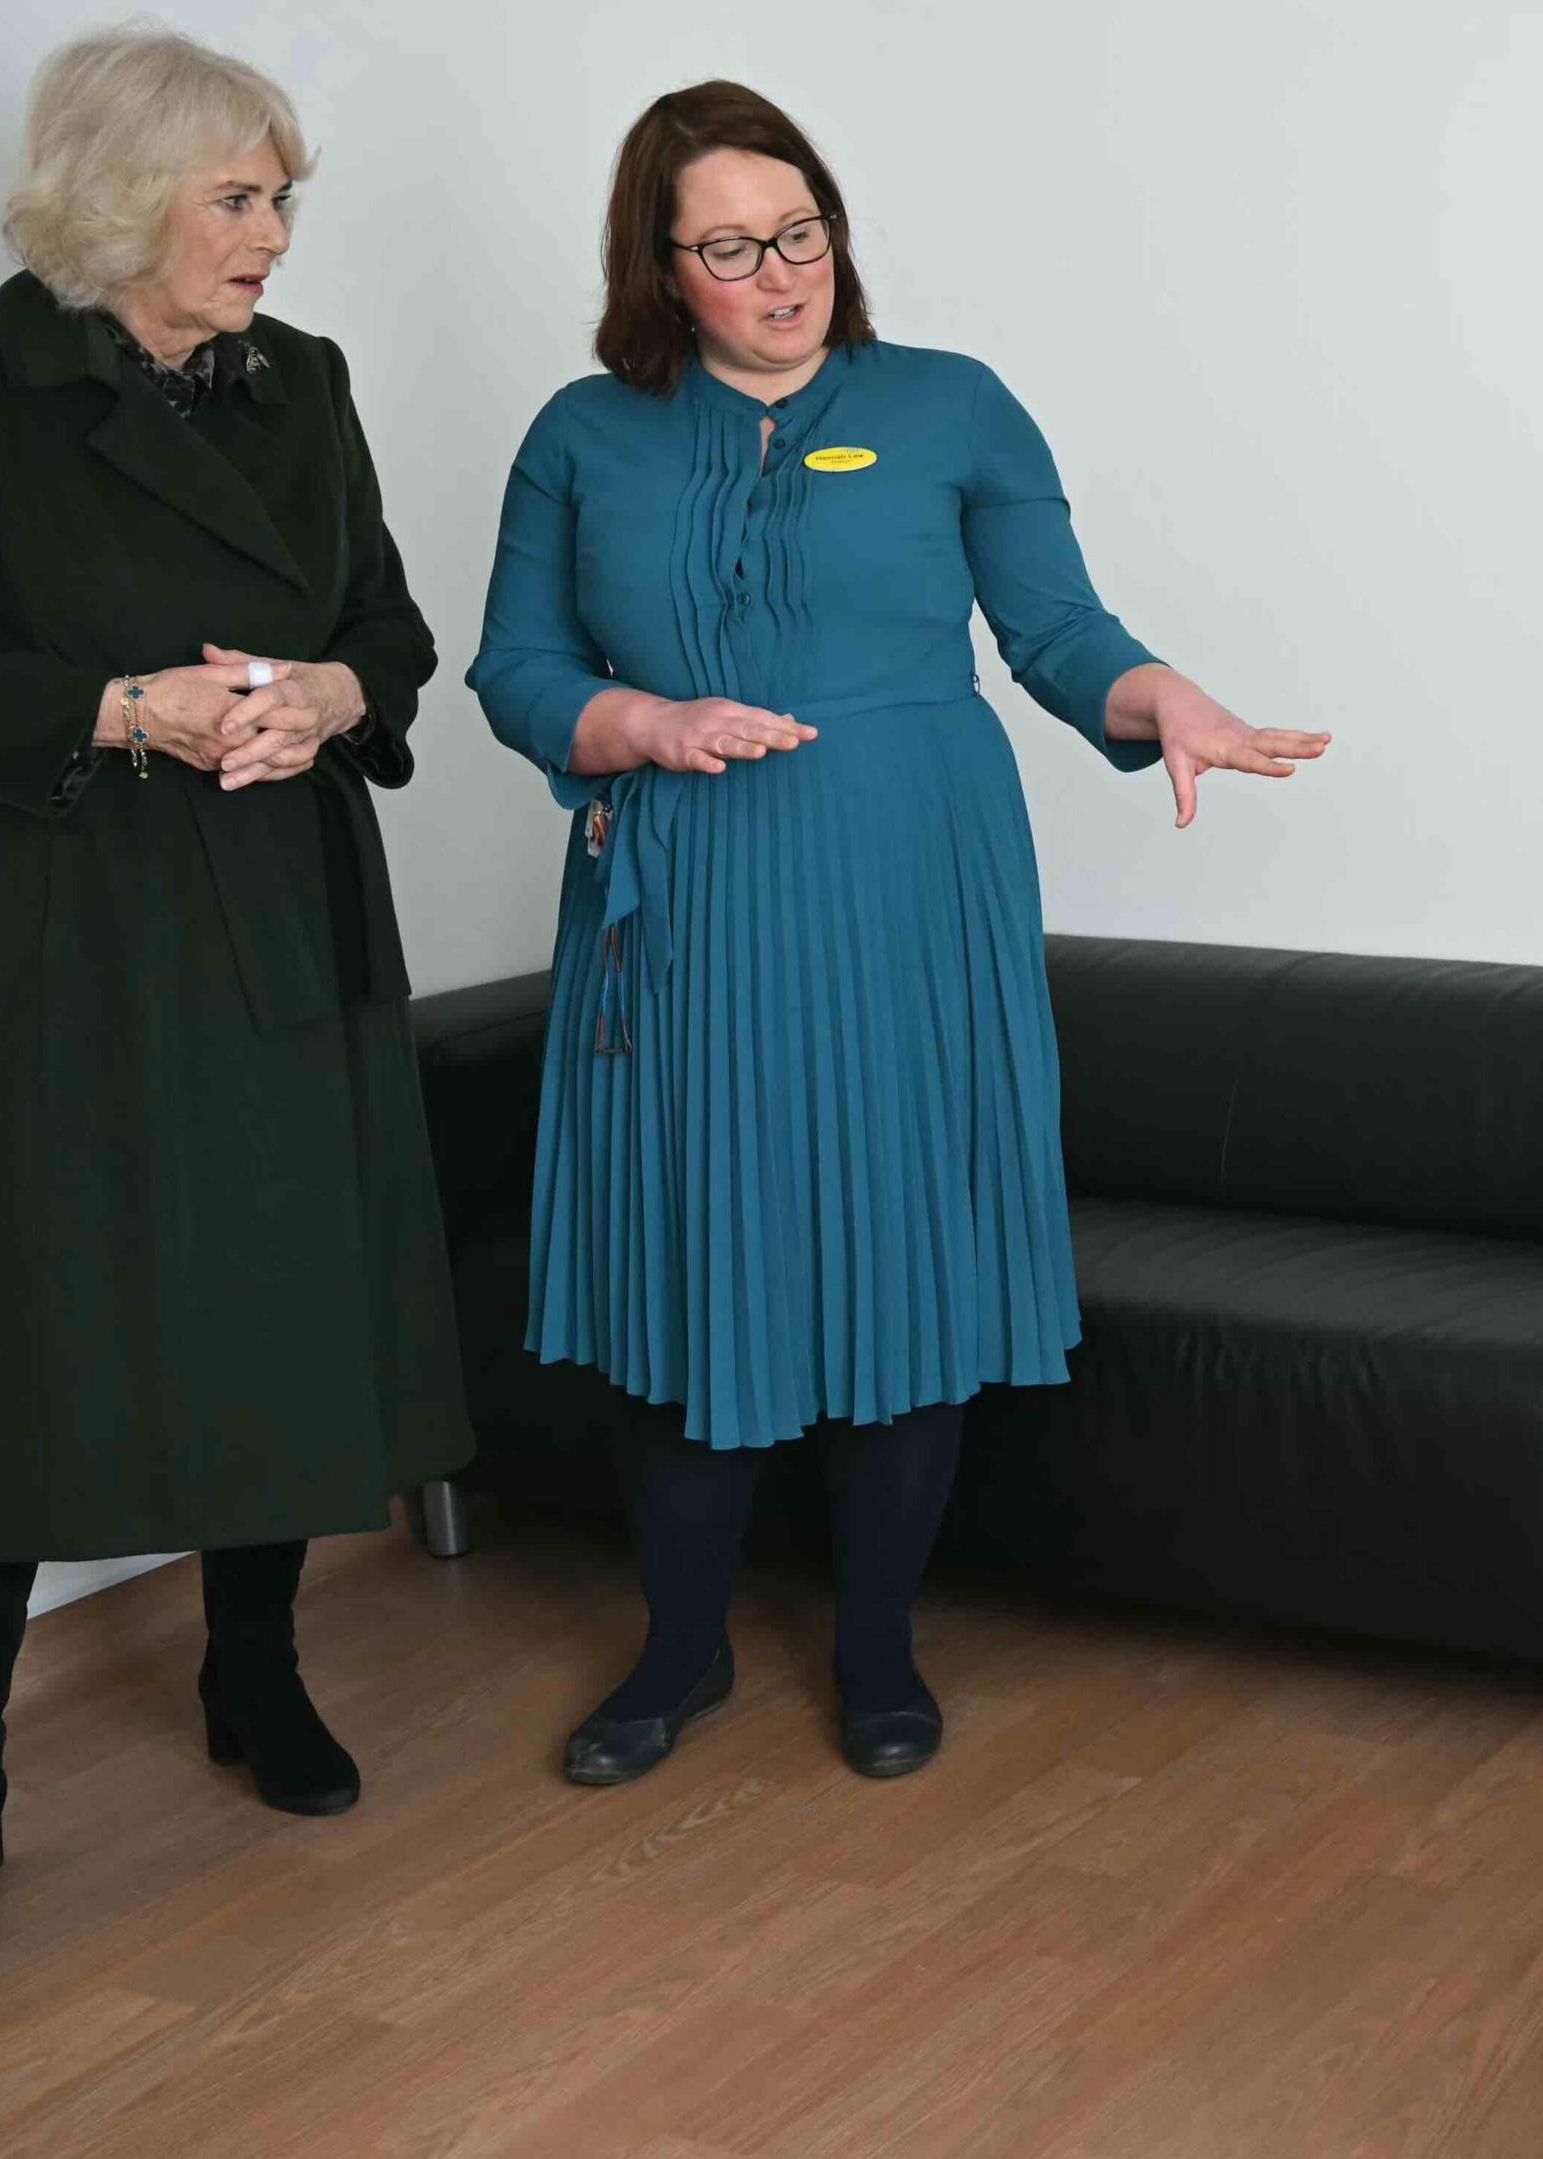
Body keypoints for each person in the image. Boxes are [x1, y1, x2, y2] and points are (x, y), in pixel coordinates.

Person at [471, 81, 1326, 1788]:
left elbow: (1061, 630)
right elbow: (515, 669)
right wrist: (636, 726)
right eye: (731, 248)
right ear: (661, 265)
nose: (781, 276)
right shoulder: (584, 433)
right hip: (685, 902)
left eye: (802, 234)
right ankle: (679, 1653)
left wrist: (1164, 703)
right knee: (684, 1258)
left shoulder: (953, 408)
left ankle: (875, 1653)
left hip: (910, 892)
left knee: (905, 1251)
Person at [0, 29, 471, 1975]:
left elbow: (387, 624)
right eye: (240, 196)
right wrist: (130, 709)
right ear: (126, 194)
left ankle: (254, 1676)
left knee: (273, 1302)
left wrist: (331, 698)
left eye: (282, 197)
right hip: (52, 930)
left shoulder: (306, 386)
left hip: (276, 902)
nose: (275, 235)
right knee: (12, 1341)